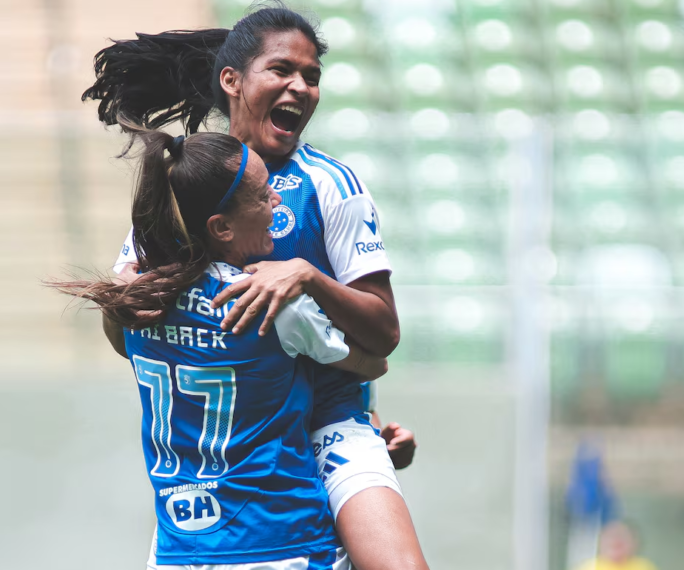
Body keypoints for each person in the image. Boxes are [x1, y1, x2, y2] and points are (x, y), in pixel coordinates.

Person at [83, 6, 428, 568]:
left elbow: (384, 334)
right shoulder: (187, 183)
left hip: (329, 426)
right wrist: (128, 299)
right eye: (282, 70)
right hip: (228, 455)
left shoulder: (331, 184)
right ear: (232, 80)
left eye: (312, 76)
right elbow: (127, 331)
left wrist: (308, 278)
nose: (301, 86)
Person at [51, 127, 387, 567]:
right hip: (281, 544)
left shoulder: (135, 303)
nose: (277, 202)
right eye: (264, 195)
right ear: (221, 227)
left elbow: (123, 337)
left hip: (179, 551)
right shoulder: (270, 304)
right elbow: (373, 362)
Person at [573, 521, 658, 570]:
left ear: (634, 543)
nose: (615, 541)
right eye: (610, 536)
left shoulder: (644, 566)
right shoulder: (589, 567)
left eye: (622, 536)